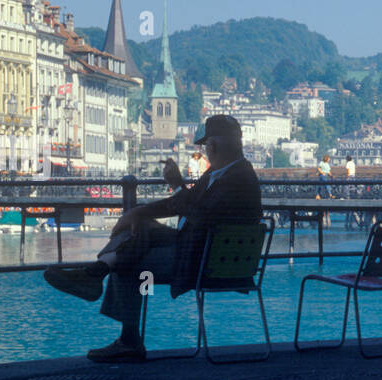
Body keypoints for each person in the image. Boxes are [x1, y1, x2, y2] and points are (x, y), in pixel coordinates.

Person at [41, 115, 262, 362]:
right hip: (199, 250)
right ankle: (98, 271)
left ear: (213, 146)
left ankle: (127, 337)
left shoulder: (235, 179)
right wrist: (137, 213)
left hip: (205, 263)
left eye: (205, 146)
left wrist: (178, 185)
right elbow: (182, 206)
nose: (204, 151)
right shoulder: (228, 174)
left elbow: (201, 216)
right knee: (140, 225)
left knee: (132, 266)